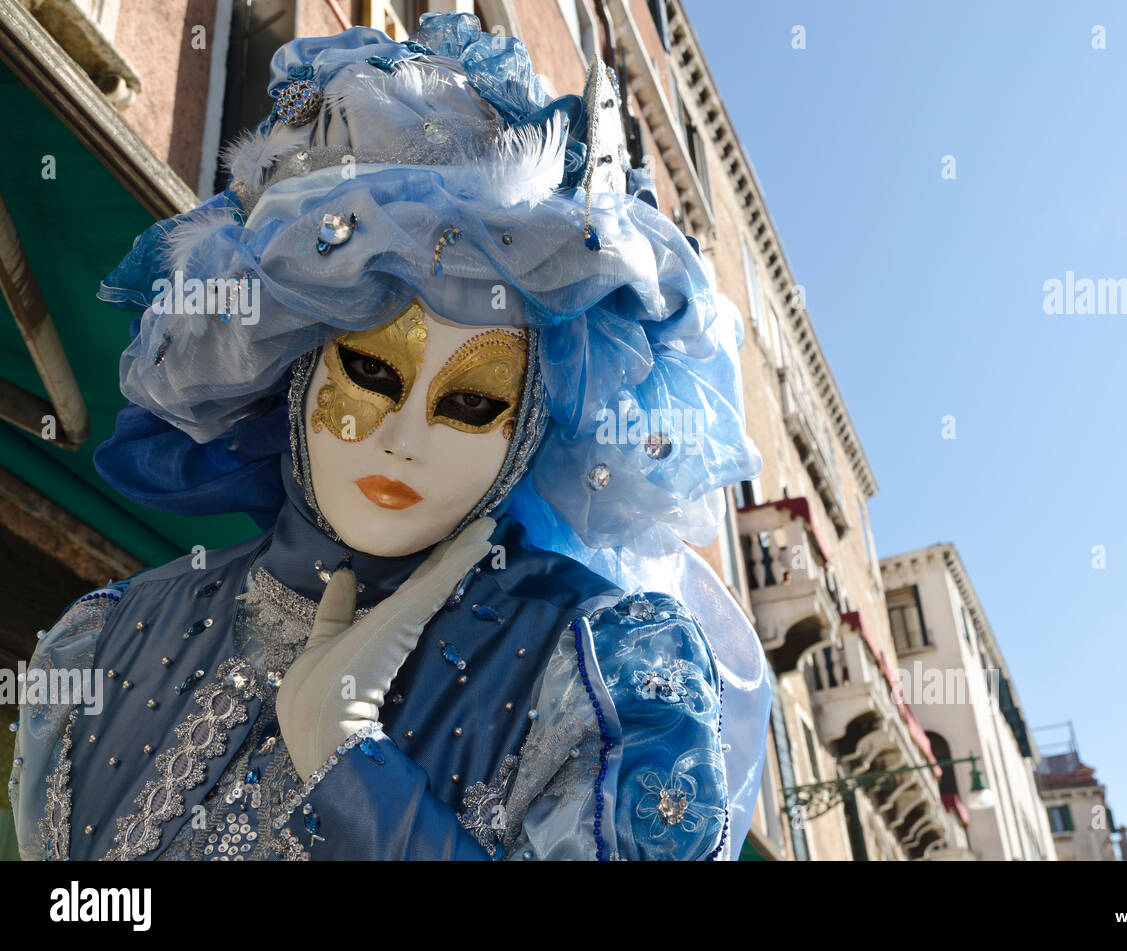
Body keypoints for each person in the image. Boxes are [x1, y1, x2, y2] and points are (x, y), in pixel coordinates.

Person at [8, 11, 767, 861]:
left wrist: (357, 773)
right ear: (297, 365)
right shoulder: (113, 641)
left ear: (529, 427)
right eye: (371, 373)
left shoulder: (592, 676)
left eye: (473, 403)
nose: (404, 440)